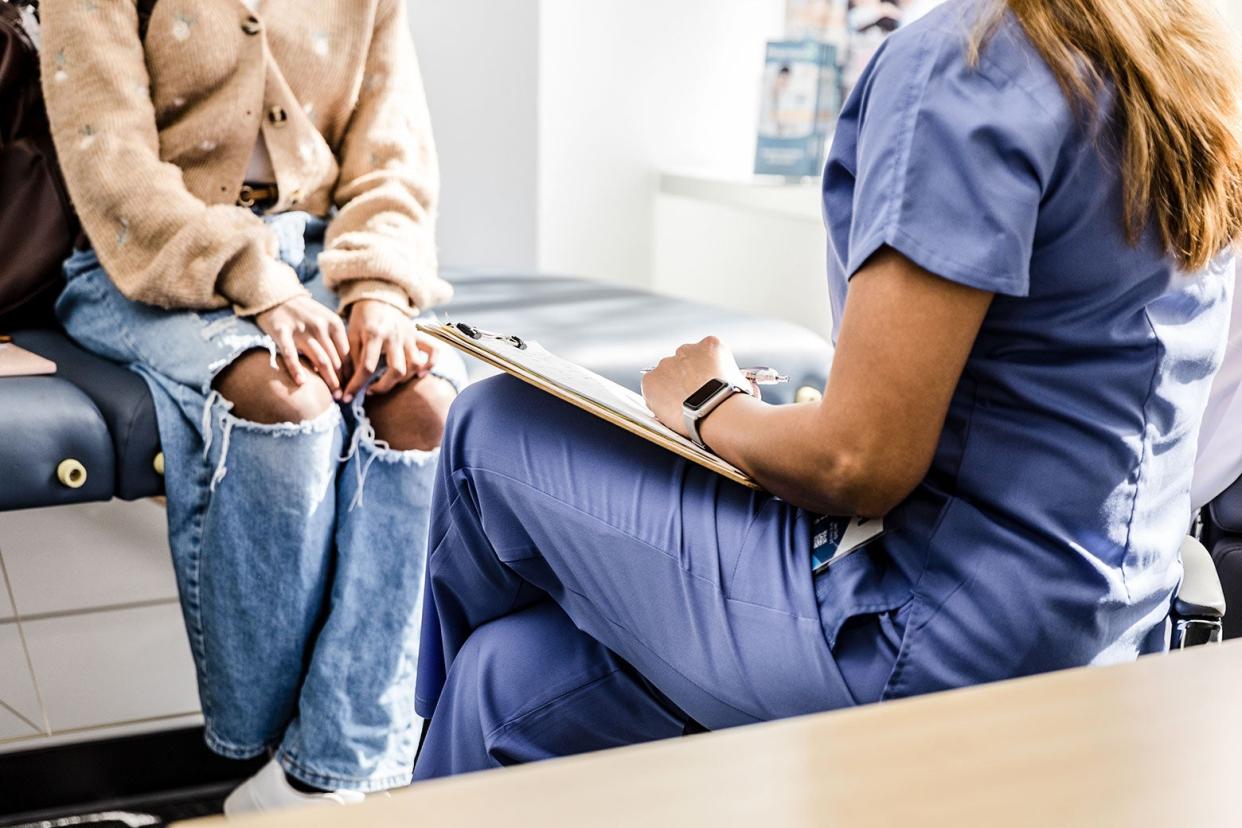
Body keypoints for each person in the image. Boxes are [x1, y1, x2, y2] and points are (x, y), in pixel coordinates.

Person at [411, 0, 1242, 778]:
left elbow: (857, 460)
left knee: (493, 426)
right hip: (1099, 628)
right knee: (503, 681)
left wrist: (711, 405)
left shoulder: (970, 61)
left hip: (934, 644)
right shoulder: (1170, 56)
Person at [38, 0, 465, 812]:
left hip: (325, 256)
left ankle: (320, 775)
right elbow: (110, 165)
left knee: (428, 415)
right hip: (148, 265)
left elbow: (393, 158)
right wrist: (255, 281)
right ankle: (277, 759)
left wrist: (379, 288)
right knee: (287, 402)